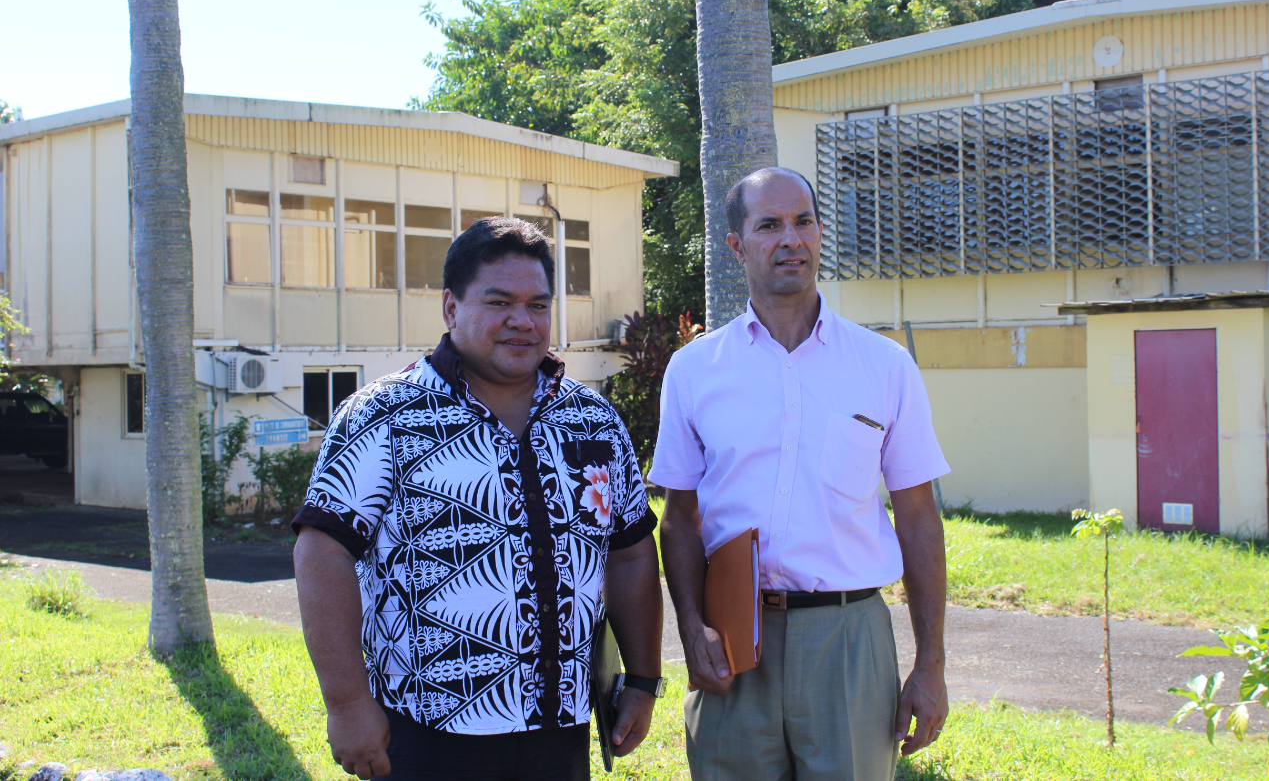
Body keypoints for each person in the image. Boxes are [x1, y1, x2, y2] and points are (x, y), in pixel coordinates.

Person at [292, 217, 664, 781]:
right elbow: (323, 554)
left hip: (559, 733)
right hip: (424, 734)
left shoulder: (593, 422)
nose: (523, 321)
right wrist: (346, 703)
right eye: (499, 302)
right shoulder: (385, 417)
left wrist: (641, 678)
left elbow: (632, 554)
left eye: (539, 305)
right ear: (450, 308)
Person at [652, 167, 951, 781]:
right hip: (733, 644)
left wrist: (931, 665)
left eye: (804, 221)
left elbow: (919, 518)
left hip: (848, 641)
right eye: (769, 225)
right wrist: (690, 626)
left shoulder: (884, 366)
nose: (791, 238)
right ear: (737, 246)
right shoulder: (694, 370)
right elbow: (679, 520)